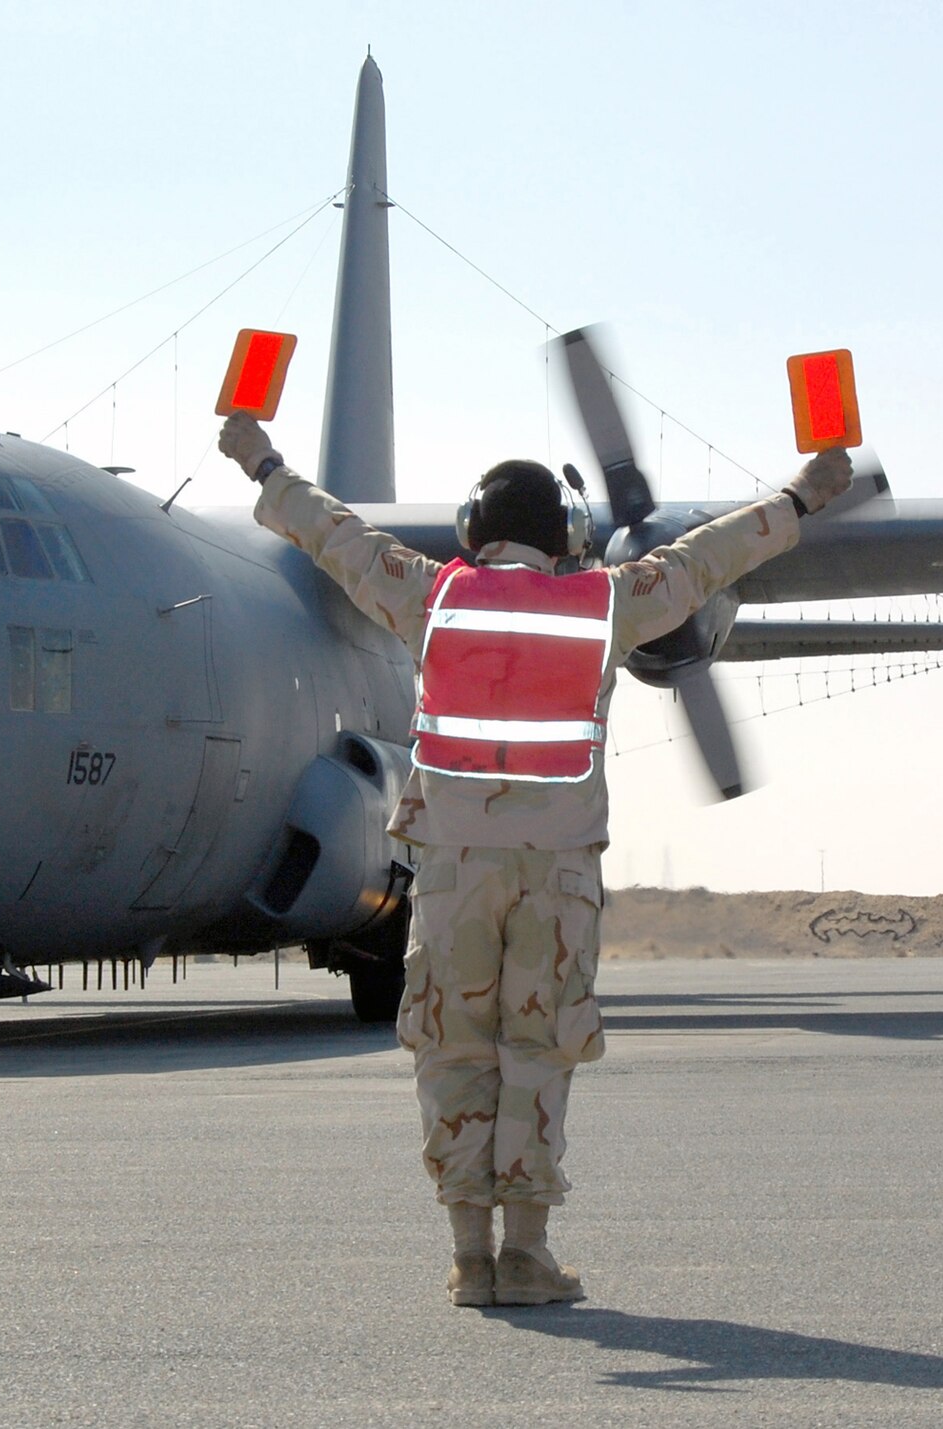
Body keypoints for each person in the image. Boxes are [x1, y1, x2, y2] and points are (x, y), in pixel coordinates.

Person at [219, 412, 851, 1306]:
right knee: (537, 1049)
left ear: (475, 531)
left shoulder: (431, 596)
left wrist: (262, 460)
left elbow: (333, 535)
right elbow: (708, 560)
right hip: (556, 874)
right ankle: (528, 1253)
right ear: (564, 537)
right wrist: (799, 497)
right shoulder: (606, 602)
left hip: (453, 870)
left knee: (452, 1047)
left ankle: (469, 1256)